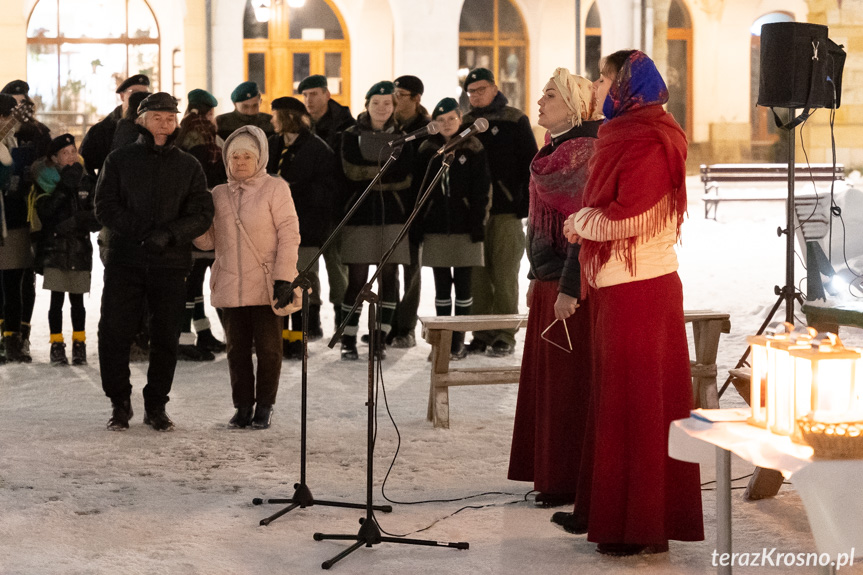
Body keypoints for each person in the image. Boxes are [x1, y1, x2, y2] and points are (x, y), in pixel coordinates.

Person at [555, 50, 704, 555]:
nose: (595, 86)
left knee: (635, 405)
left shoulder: (648, 136)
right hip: (622, 282)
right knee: (619, 402)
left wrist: (580, 224)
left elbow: (634, 214)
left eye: (602, 77)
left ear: (625, 84)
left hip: (640, 285)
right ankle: (614, 514)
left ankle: (637, 524)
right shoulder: (625, 132)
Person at [507, 69, 601, 508]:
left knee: (566, 384)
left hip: (571, 284)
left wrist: (568, 286)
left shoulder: (581, 153)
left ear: (574, 104)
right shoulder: (552, 150)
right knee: (548, 384)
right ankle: (550, 473)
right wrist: (533, 278)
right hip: (547, 280)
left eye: (550, 95)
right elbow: (540, 227)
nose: (539, 101)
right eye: (542, 93)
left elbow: (580, 231)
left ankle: (566, 477)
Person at [95, 92, 214, 432]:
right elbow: (105, 206)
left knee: (166, 337)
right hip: (125, 260)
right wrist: (146, 232)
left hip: (170, 263)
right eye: (157, 117)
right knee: (114, 333)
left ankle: (156, 404)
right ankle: (119, 402)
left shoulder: (188, 165)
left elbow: (202, 212)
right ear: (141, 121)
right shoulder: (119, 160)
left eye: (170, 118)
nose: (165, 123)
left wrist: (172, 235)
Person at [194, 125, 301, 429]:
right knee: (236, 350)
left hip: (267, 284)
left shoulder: (275, 188)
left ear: (260, 158)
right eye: (235, 156)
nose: (240, 162)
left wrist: (284, 278)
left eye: (247, 156)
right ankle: (242, 406)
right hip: (230, 283)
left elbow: (289, 235)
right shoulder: (218, 194)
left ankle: (265, 405)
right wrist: (196, 221)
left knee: (269, 349)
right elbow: (208, 242)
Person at [335, 81, 414, 360]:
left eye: (387, 103)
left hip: (393, 215)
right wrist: (384, 173)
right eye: (376, 103)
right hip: (359, 214)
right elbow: (349, 171)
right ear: (366, 104)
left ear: (394, 107)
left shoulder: (404, 137)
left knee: (390, 278)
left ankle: (379, 338)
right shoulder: (349, 135)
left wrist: (372, 174)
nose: (382, 108)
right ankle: (348, 338)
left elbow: (405, 177)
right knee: (356, 280)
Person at [462, 68, 537, 357]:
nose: (475, 95)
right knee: (478, 279)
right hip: (476, 214)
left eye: (481, 89)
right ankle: (481, 333)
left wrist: (524, 205)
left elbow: (531, 164)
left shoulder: (514, 119)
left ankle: (505, 334)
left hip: (506, 212)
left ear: (494, 88)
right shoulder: (466, 123)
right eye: (471, 91)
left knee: (505, 276)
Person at [413, 97, 490, 359]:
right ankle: (442, 342)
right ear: (433, 123)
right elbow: (418, 190)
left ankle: (458, 340)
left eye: (452, 119)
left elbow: (481, 191)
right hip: (435, 228)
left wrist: (478, 222)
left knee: (464, 288)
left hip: (465, 228)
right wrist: (419, 223)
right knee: (442, 288)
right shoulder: (426, 150)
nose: (447, 124)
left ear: (461, 120)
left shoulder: (473, 148)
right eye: (440, 119)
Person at [266, 96, 336, 357]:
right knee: (281, 285)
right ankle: (283, 339)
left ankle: (299, 339)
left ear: (287, 116)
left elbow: (327, 190)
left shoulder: (317, 149)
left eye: (276, 115)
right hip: (273, 229)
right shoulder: (271, 144)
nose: (272, 120)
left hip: (306, 227)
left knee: (302, 283)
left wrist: (293, 190)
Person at [31, 134, 100, 365]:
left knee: (78, 301)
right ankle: (56, 344)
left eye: (73, 151)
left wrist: (81, 219)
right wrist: (63, 187)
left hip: (79, 249)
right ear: (55, 158)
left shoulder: (87, 180)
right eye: (65, 153)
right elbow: (46, 213)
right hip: (55, 249)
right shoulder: (45, 181)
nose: (71, 156)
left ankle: (79, 344)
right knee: (56, 301)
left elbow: (97, 215)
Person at [175, 88, 228, 361]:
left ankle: (202, 333)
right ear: (209, 113)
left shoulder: (180, 133)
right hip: (205, 217)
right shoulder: (210, 141)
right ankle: (184, 340)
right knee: (193, 280)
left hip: (182, 217)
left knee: (193, 280)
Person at [298, 74, 353, 332]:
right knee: (307, 265)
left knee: (337, 265)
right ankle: (312, 319)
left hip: (337, 205)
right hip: (307, 208)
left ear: (327, 94)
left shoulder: (344, 123)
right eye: (305, 95)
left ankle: (343, 320)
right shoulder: (300, 124)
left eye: (314, 94)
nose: (309, 99)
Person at [0, 80, 49, 362]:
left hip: (22, 215)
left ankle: (20, 334)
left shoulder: (37, 132)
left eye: (21, 104)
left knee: (20, 279)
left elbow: (49, 163)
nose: (16, 111)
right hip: (4, 212)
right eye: (11, 106)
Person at [387, 74, 431, 349]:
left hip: (416, 208)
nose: (394, 99)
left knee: (411, 271)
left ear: (416, 98)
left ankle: (405, 327)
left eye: (401, 94)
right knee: (387, 271)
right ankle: (386, 325)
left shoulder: (427, 128)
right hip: (392, 208)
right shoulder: (388, 126)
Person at [80, 74, 150, 176]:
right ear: (122, 96)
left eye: (145, 94)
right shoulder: (101, 130)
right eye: (135, 93)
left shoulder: (152, 127)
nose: (140, 98)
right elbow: (86, 164)